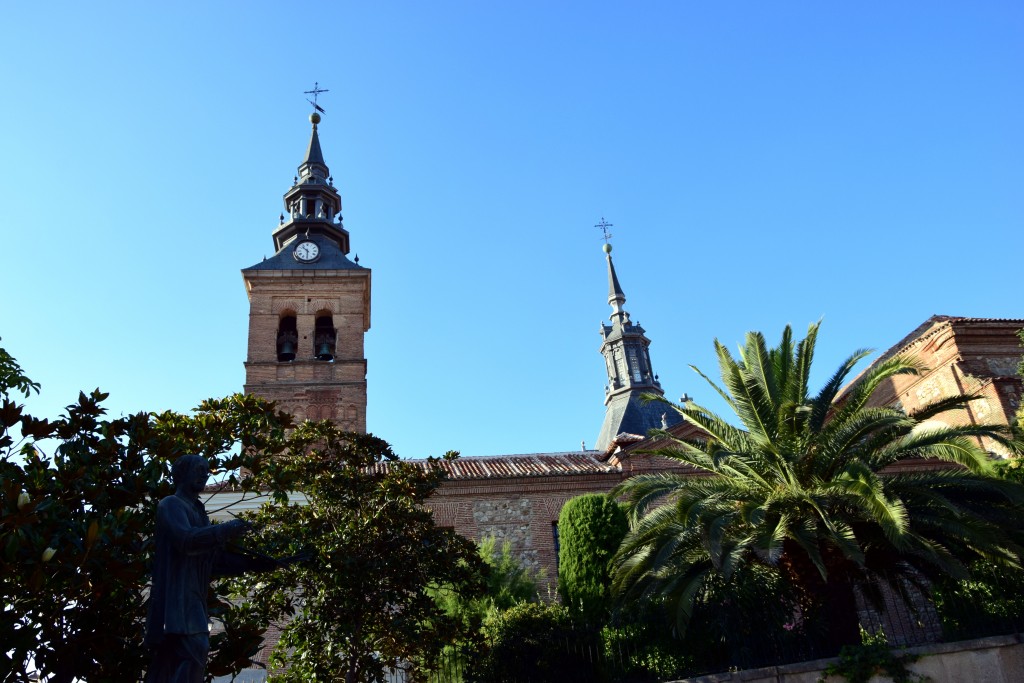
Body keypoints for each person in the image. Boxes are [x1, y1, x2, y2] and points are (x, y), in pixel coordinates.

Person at [144, 455, 278, 683]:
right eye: (198, 469)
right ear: (182, 473)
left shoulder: (199, 512)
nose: (204, 474)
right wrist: (226, 530)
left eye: (206, 470)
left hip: (193, 597)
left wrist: (256, 564)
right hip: (175, 596)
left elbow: (214, 560)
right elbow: (186, 540)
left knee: (175, 662)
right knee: (195, 648)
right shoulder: (171, 505)